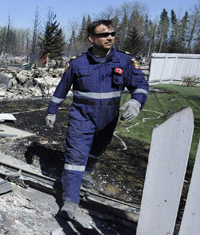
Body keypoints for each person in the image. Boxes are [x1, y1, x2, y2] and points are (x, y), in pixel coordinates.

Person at [45, 19, 149, 220]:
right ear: (92, 39)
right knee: (75, 159)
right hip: (82, 118)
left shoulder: (124, 61)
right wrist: (52, 110)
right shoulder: (78, 64)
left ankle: (87, 173)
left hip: (109, 119)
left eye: (112, 33)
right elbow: (62, 88)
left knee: (97, 150)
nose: (110, 37)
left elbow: (140, 85)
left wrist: (137, 102)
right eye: (104, 34)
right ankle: (70, 201)